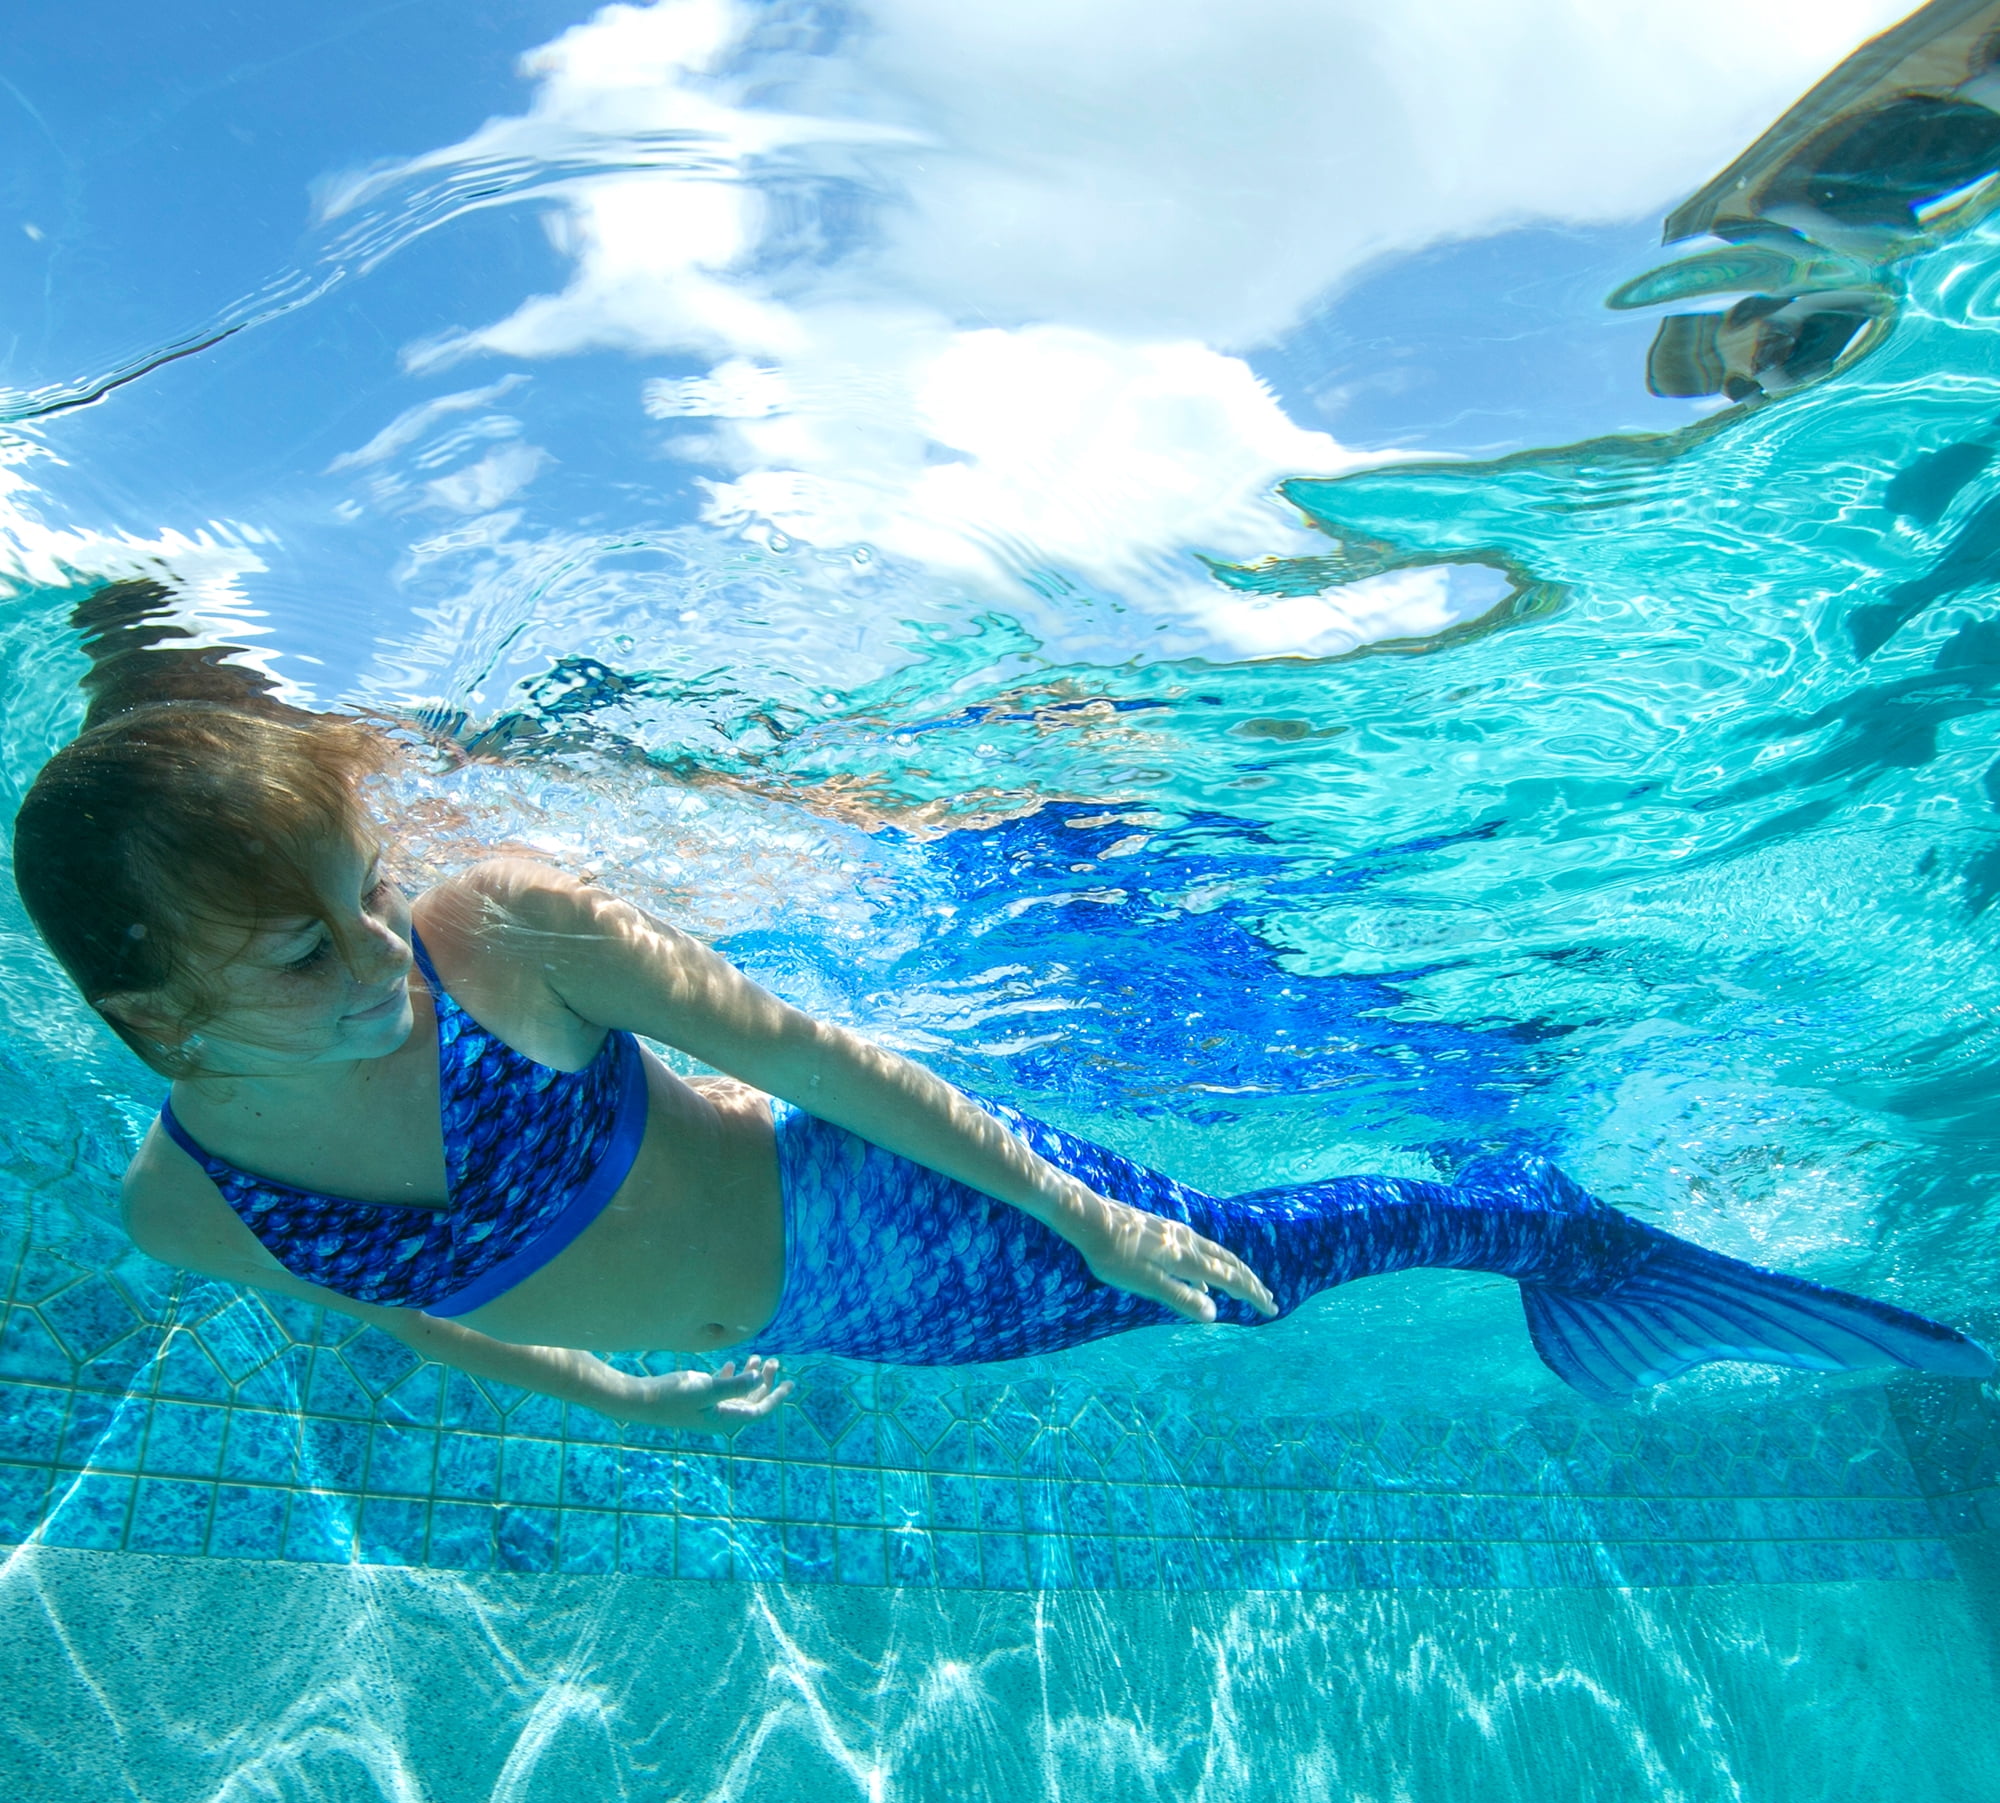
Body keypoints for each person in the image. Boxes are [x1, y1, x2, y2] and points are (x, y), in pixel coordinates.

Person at [11, 584, 1992, 1436]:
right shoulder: (179, 1205)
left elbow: (813, 1050)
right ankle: (1541, 1228)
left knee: (1235, 1271)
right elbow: (388, 1303)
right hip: (839, 1321)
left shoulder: (498, 936)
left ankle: (1553, 1222)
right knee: (1237, 1292)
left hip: (890, 1209)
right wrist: (605, 1397)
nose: (381, 961)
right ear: (149, 1007)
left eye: (365, 898)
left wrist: (1079, 1205)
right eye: (304, 953)